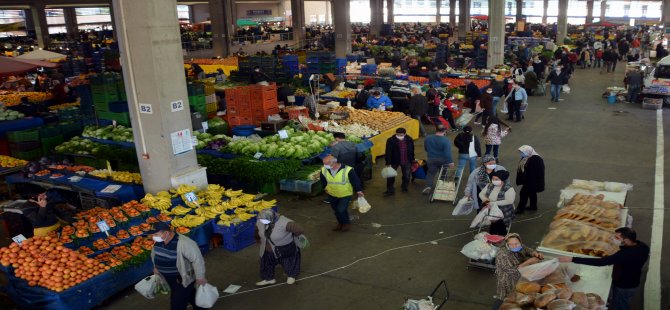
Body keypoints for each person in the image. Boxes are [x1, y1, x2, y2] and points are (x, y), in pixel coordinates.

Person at [558, 227, 649, 310]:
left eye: (617, 238)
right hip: (633, 280)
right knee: (623, 300)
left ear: (627, 240)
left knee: (620, 305)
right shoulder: (643, 246)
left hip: (624, 285)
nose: (613, 239)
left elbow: (601, 262)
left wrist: (572, 259)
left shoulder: (625, 254)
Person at [151, 222, 207, 310]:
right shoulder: (159, 241)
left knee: (177, 305)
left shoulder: (185, 243)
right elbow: (156, 254)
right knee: (190, 294)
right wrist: (156, 266)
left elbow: (197, 260)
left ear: (166, 233)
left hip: (181, 278)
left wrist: (200, 277)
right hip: (168, 278)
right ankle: (201, 307)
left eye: (156, 234)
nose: (153, 237)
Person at [254, 209, 304, 286]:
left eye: (265, 220)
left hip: (284, 248)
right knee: (266, 263)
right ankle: (268, 279)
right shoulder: (260, 221)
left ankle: (291, 276)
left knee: (289, 262)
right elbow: (257, 230)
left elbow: (299, 230)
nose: (262, 222)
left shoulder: (286, 223)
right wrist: (258, 238)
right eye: (261, 220)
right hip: (267, 249)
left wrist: (292, 237)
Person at [493, 233, 544, 309]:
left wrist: (535, 253)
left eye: (516, 244)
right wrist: (528, 262)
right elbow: (510, 270)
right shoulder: (502, 254)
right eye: (511, 244)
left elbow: (526, 249)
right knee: (505, 297)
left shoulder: (520, 246)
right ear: (507, 244)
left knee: (515, 295)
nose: (514, 246)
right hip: (507, 279)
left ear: (520, 242)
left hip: (519, 275)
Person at [320, 155, 364, 232]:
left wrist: (359, 190)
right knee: (336, 210)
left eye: (326, 164)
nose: (324, 166)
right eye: (324, 164)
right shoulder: (324, 170)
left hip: (345, 194)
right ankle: (340, 223)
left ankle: (346, 223)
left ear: (334, 162)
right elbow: (323, 180)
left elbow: (355, 181)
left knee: (340, 210)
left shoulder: (348, 170)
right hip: (331, 193)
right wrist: (325, 188)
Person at [479, 170, 516, 236]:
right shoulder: (489, 185)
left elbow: (509, 201)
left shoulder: (509, 189)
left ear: (502, 180)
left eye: (496, 179)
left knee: (499, 224)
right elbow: (481, 194)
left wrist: (494, 203)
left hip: (503, 210)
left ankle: (501, 235)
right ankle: (493, 235)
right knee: (493, 222)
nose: (493, 180)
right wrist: (486, 201)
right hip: (490, 207)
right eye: (493, 179)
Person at [422, 124, 454, 194]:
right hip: (443, 160)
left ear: (435, 129)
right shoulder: (446, 140)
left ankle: (428, 187)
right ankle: (440, 186)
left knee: (430, 174)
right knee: (443, 173)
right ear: (445, 131)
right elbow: (447, 153)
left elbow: (426, 148)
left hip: (431, 159)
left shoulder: (428, 138)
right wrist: (450, 162)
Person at [384, 128, 414, 196]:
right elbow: (388, 151)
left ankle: (404, 187)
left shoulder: (409, 139)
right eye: (398, 135)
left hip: (406, 160)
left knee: (406, 175)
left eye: (401, 135)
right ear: (396, 133)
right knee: (391, 175)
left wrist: (412, 159)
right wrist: (388, 162)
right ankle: (390, 189)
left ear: (405, 134)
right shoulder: (391, 140)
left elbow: (412, 149)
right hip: (394, 160)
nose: (400, 136)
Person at [515, 145, 545, 214]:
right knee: (532, 193)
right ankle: (533, 206)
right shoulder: (527, 157)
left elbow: (536, 172)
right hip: (529, 180)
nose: (521, 154)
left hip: (532, 181)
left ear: (528, 151)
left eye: (522, 152)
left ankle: (520, 209)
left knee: (523, 193)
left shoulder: (536, 159)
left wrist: (528, 180)